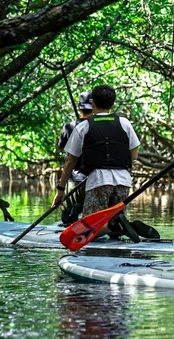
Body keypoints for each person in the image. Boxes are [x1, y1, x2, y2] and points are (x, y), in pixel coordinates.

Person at [53, 84, 159, 241]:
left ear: (93, 103)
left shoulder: (83, 127)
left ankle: (115, 226)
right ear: (113, 104)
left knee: (88, 229)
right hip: (123, 181)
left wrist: (61, 189)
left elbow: (70, 161)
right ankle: (117, 225)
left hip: (98, 181)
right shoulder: (125, 123)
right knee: (113, 228)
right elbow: (134, 155)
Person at [57, 91, 93, 224]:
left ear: (79, 106)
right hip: (94, 179)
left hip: (74, 179)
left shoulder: (69, 126)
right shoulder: (97, 128)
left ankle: (72, 214)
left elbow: (63, 148)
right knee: (92, 216)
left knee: (66, 219)